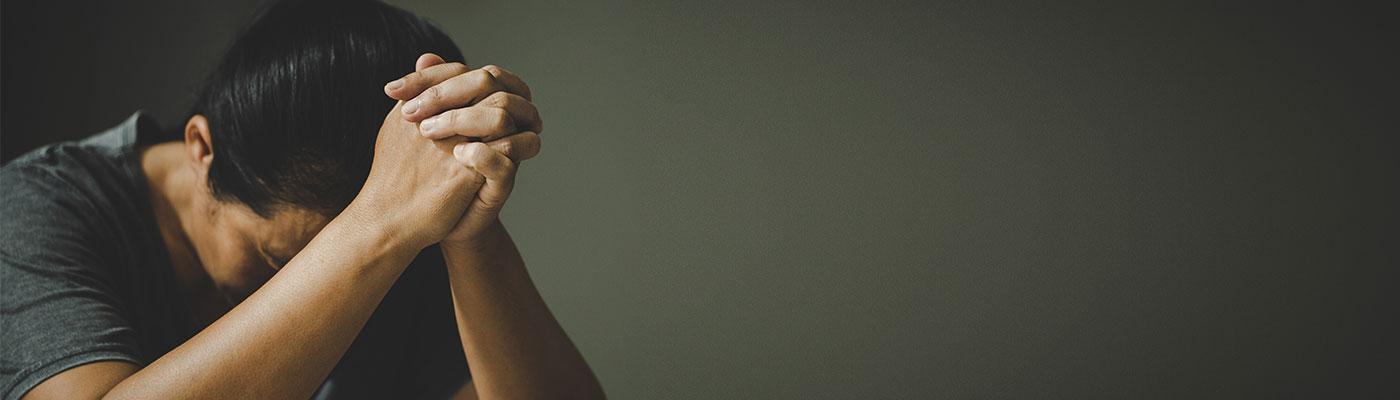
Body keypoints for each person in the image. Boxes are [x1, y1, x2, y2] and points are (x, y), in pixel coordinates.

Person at [0, 0, 604, 398]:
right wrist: (374, 227)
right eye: (275, 260)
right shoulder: (37, 208)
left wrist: (470, 218)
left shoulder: (408, 230)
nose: (317, 281)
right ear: (201, 146)